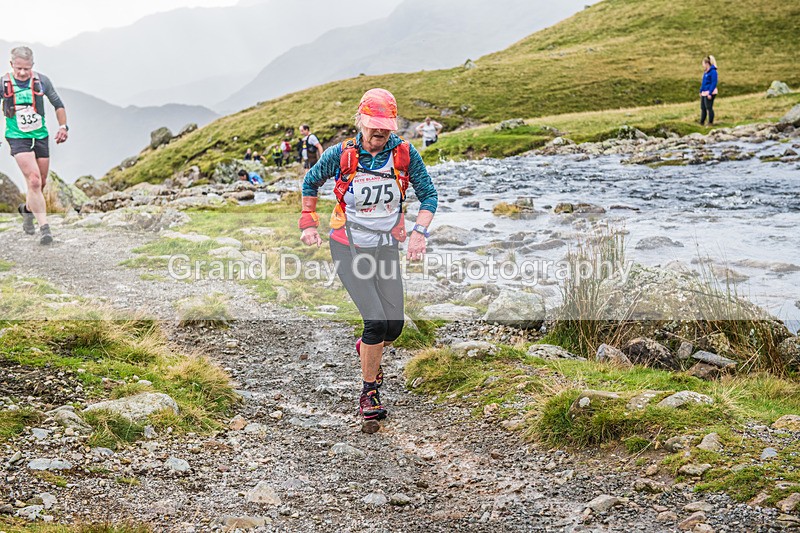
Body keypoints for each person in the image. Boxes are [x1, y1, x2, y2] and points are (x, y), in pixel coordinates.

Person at [299, 88, 438, 429]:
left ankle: (367, 348)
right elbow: (310, 181)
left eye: (385, 128)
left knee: (395, 327)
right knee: (375, 321)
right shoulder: (341, 154)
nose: (379, 134)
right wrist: (307, 223)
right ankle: (369, 393)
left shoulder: (405, 154)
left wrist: (419, 233)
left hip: (386, 245)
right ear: (360, 120)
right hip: (347, 245)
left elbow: (429, 195)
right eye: (374, 126)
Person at [1, 46, 68, 246]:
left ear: (33, 66)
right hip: (16, 137)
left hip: (40, 136)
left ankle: (27, 210)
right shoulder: (3, 83)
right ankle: (45, 229)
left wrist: (63, 127)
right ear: (12, 64)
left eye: (27, 69)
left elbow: (58, 104)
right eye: (19, 68)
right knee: (34, 180)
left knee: (42, 182)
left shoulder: (42, 81)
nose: (22, 73)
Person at [699, 55, 718, 126]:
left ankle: (710, 122)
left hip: (710, 92)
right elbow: (703, 82)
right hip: (704, 92)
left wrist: (710, 93)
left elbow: (714, 83)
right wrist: (701, 91)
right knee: (703, 107)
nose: (703, 65)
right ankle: (701, 122)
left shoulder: (713, 72)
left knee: (709, 107)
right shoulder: (705, 72)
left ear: (707, 64)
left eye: (703, 64)